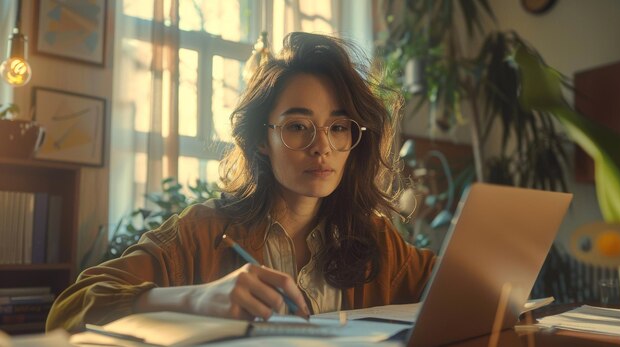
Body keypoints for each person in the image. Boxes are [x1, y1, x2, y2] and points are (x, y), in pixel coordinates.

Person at [46, 32, 436, 332]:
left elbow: (468, 290)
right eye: (298, 127)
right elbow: (70, 309)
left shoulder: (378, 244)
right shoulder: (202, 232)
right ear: (261, 142)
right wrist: (195, 299)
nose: (323, 147)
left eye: (338, 127)